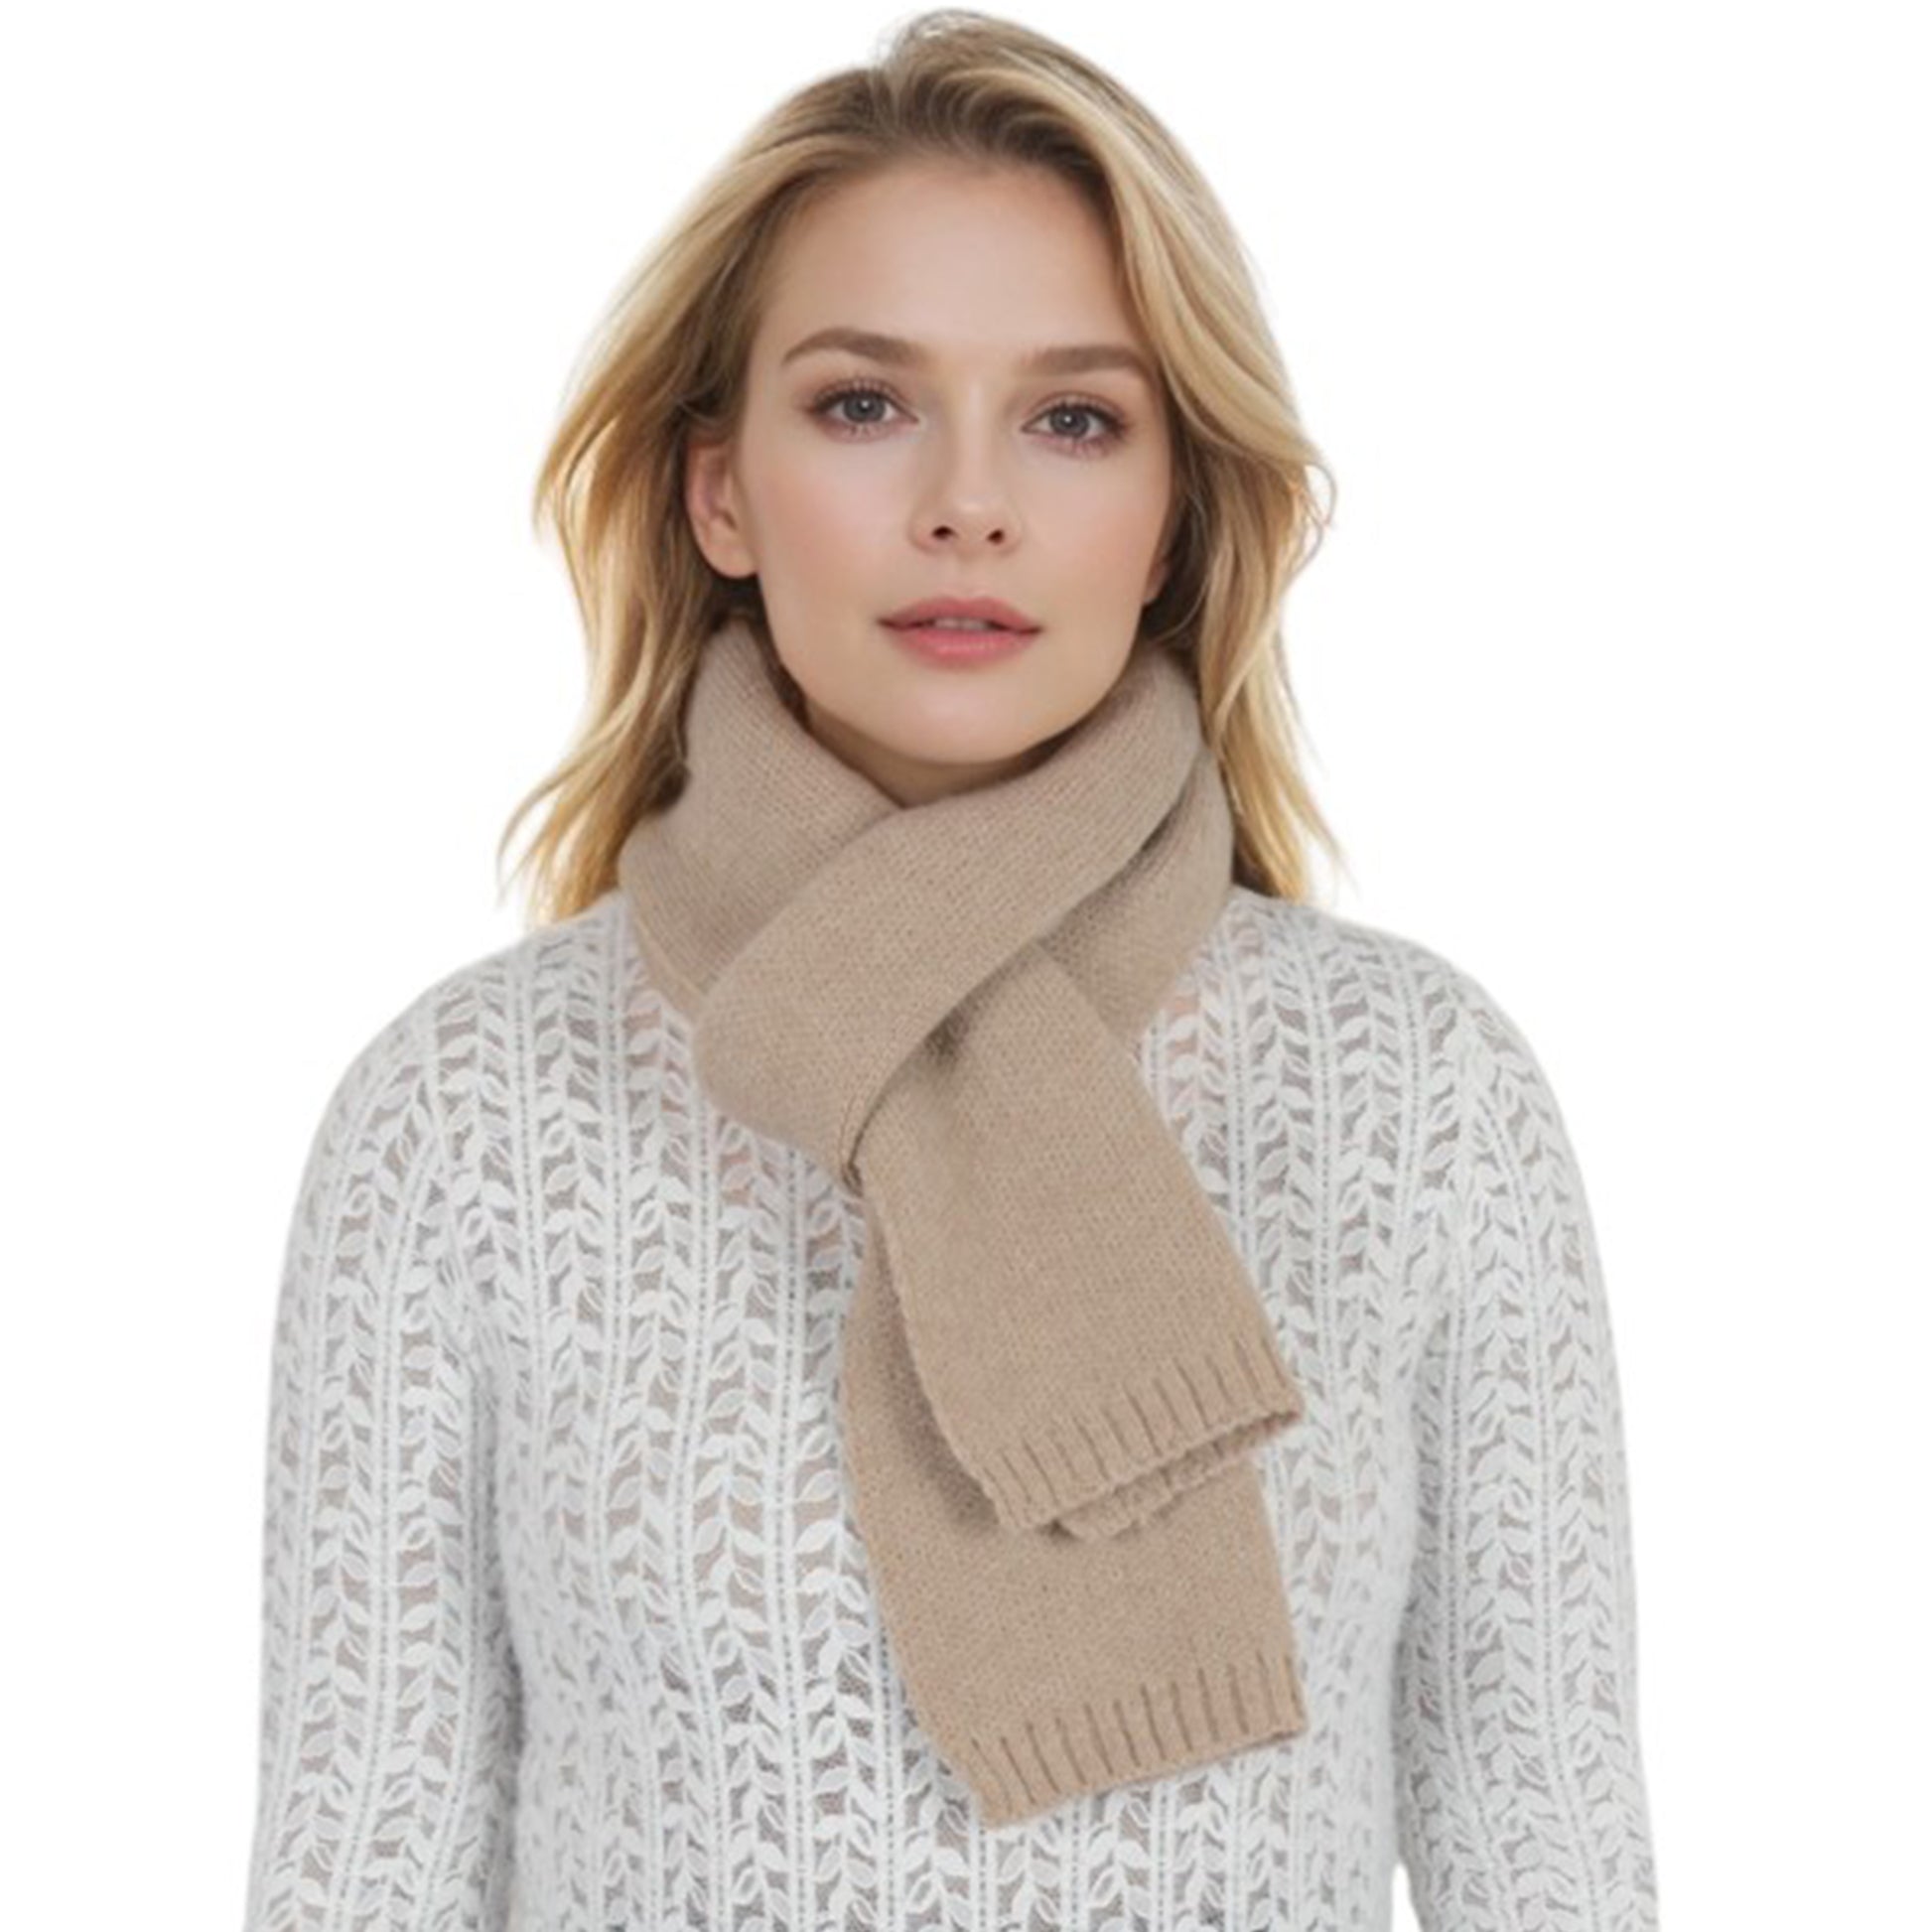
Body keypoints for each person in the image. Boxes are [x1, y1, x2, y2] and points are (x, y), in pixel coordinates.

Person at [239, 11, 1658, 1929]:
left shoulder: (1422, 1095)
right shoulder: (460, 1115)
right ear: (718, 493)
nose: (966, 503)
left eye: (1073, 419)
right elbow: (356, 1871)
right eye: (862, 404)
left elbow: (1548, 1852)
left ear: (1171, 516)